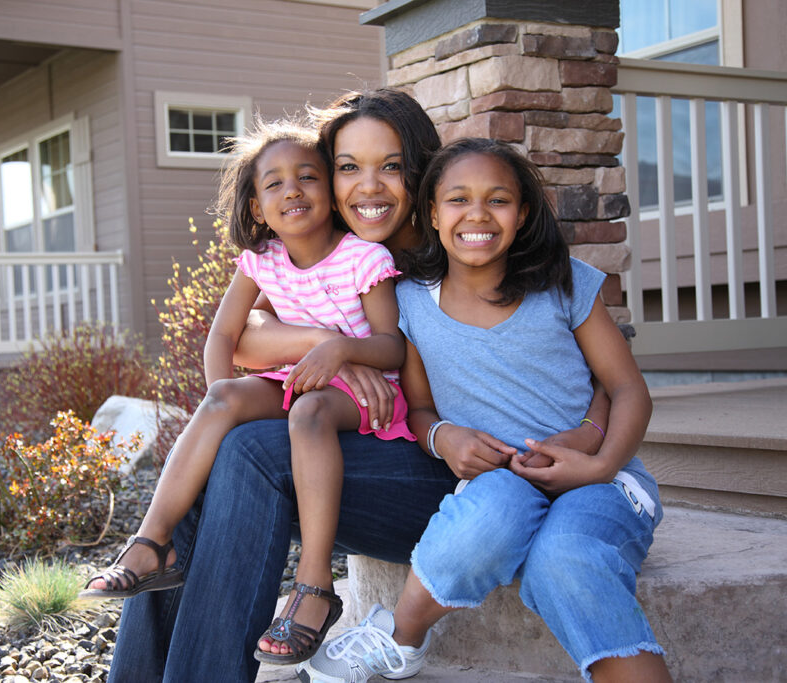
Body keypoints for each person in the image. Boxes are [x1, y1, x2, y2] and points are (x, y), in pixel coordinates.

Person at [106, 90, 607, 683]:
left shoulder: (467, 242)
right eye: (348, 167)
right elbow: (247, 336)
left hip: (459, 479)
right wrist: (333, 347)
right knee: (220, 449)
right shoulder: (331, 250)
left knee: (248, 452)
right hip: (371, 442)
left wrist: (589, 438)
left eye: (391, 166)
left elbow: (596, 371)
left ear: (421, 170)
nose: (368, 187)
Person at [298, 137, 671, 683]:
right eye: (458, 200)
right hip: (502, 479)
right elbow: (421, 409)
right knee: (487, 514)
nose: (477, 215)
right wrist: (443, 437)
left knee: (561, 560)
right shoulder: (410, 305)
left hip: (601, 483)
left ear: (521, 214)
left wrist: (599, 461)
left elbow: (628, 388)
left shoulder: (561, 281)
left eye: (497, 200)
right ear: (431, 212)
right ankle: (399, 638)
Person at [82, 118, 416, 665]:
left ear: (329, 193)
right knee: (223, 405)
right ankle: (151, 542)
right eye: (275, 183)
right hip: (295, 379)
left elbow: (392, 348)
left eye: (308, 177)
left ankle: (314, 585)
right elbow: (225, 337)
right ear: (258, 207)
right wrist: (222, 402)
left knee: (308, 413)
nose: (293, 190)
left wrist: (340, 350)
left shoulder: (364, 259)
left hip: (364, 395)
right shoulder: (262, 260)